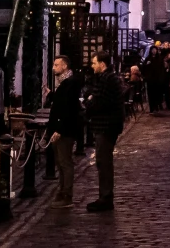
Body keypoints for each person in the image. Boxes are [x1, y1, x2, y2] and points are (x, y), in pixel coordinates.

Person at [80, 52, 127, 213]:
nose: (92, 66)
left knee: (104, 161)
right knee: (102, 160)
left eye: (94, 63)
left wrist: (89, 101)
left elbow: (98, 103)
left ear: (102, 64)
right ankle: (104, 196)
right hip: (105, 125)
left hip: (106, 126)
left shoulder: (107, 79)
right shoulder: (105, 78)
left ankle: (105, 198)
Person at [45, 56, 82, 204]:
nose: (53, 68)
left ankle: (66, 194)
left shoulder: (69, 83)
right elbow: (62, 101)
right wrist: (51, 94)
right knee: (60, 162)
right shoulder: (64, 84)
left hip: (65, 130)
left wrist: (59, 129)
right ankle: (62, 191)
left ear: (64, 66)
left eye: (56, 65)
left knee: (65, 162)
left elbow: (68, 108)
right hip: (60, 128)